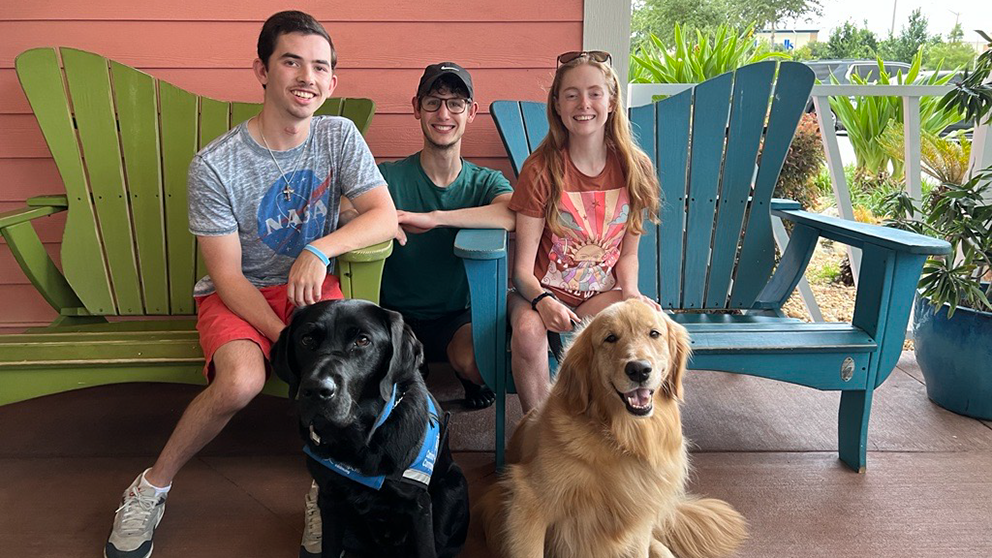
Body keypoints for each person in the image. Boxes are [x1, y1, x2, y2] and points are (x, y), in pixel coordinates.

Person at [103, 11, 396, 558]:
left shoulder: (338, 135)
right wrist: (288, 337)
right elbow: (229, 277)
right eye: (292, 62)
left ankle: (324, 488)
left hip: (311, 289)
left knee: (350, 375)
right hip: (237, 294)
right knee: (241, 383)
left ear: (333, 82)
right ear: (262, 70)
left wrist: (318, 248)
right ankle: (150, 488)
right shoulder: (216, 165)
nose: (307, 77)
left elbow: (384, 215)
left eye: (320, 67)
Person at [507, 50, 661, 413]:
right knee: (529, 334)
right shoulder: (542, 169)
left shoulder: (635, 168)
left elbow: (628, 255)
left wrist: (633, 292)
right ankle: (538, 430)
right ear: (557, 105)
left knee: (648, 322)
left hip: (599, 296)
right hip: (538, 293)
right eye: (571, 94)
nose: (583, 104)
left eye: (594, 93)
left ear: (611, 102)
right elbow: (523, 273)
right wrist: (544, 302)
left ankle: (623, 426)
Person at [375, 62, 514, 409]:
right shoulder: (388, 176)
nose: (444, 113)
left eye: (456, 103)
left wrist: (435, 219)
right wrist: (381, 218)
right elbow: (347, 208)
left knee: (475, 363)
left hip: (457, 315)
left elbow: (512, 214)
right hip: (394, 312)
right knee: (385, 374)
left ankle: (464, 376)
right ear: (416, 108)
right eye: (433, 101)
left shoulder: (485, 181)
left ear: (471, 113)